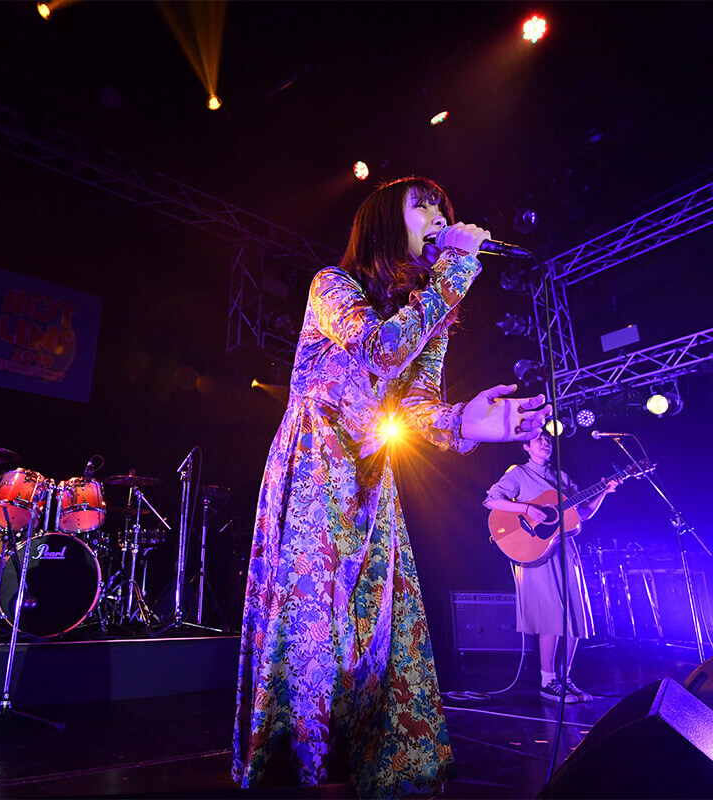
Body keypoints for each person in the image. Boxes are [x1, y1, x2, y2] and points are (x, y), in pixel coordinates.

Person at [232, 176, 551, 798]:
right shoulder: (335, 286)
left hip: (372, 479)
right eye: (423, 206)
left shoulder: (432, 307)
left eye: (444, 209)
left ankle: (375, 769)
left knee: (378, 627)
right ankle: (299, 768)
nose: (438, 216)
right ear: (383, 222)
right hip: (317, 467)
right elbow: (380, 350)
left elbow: (419, 410)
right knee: (316, 625)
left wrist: (473, 423)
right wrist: (457, 268)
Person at [483, 432, 616, 703]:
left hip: (564, 551)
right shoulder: (518, 473)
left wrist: (603, 491)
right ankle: (547, 680)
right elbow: (491, 501)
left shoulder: (561, 478)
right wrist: (528, 509)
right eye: (539, 439)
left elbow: (583, 514)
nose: (545, 443)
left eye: (547, 439)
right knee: (551, 616)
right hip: (535, 553)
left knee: (575, 616)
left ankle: (565, 679)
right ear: (526, 447)